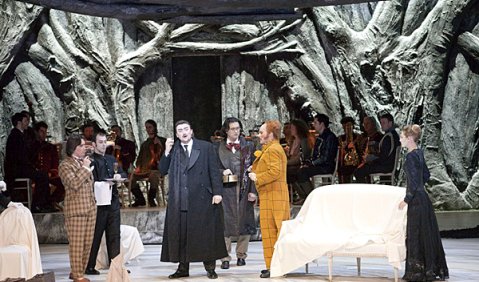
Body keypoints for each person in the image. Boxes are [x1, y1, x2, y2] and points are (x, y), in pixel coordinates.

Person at [159, 120, 227, 279]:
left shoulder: (205, 147)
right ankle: (183, 268)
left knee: (205, 234)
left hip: (202, 198)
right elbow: (163, 169)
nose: (183, 132)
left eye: (186, 129)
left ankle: (210, 268)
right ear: (176, 134)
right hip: (181, 199)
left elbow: (214, 171)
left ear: (191, 131)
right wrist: (166, 151)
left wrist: (217, 192)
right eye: (180, 130)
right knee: (182, 234)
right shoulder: (174, 149)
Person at [398, 125, 449, 281]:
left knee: (415, 235)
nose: (400, 139)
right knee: (426, 235)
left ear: (409, 138)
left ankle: (417, 272)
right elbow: (425, 175)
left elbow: (413, 183)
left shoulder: (410, 156)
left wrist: (406, 200)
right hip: (423, 198)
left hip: (416, 201)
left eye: (401, 137)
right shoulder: (419, 153)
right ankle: (429, 269)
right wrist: (418, 186)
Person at [248, 120, 290, 278]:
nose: (259, 135)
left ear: (271, 134)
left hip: (275, 196)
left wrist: (257, 176)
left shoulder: (274, 149)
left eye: (261, 132)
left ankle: (279, 265)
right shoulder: (270, 148)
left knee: (277, 232)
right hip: (269, 195)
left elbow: (275, 172)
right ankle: (272, 265)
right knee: (269, 232)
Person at [214, 117, 257, 270]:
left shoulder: (249, 146)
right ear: (226, 130)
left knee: (244, 221)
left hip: (244, 188)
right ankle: (225, 257)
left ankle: (241, 255)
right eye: (233, 128)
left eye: (238, 128)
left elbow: (255, 168)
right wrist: (222, 171)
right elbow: (213, 168)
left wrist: (253, 191)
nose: (236, 131)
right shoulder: (217, 147)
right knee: (225, 223)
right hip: (226, 190)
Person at [85, 130, 127, 275]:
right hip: (99, 203)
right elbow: (91, 181)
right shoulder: (91, 160)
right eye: (100, 143)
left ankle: (115, 265)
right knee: (96, 234)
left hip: (113, 201)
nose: (103, 145)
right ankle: (89, 265)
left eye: (105, 142)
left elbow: (123, 173)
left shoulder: (111, 159)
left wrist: (118, 176)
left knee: (114, 234)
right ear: (95, 144)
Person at [58, 134, 97, 282]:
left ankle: (77, 270)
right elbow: (73, 183)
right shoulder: (65, 165)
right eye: (81, 146)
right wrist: (86, 169)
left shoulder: (83, 162)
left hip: (90, 208)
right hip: (76, 210)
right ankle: (78, 276)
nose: (84, 148)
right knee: (77, 244)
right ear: (74, 148)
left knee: (87, 243)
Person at [4, 112, 53, 213]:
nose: (27, 123)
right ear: (19, 122)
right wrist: (31, 167)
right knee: (42, 176)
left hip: (21, 167)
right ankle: (37, 204)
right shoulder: (15, 137)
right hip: (17, 170)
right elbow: (19, 158)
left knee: (42, 175)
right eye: (25, 121)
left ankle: (45, 203)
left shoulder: (20, 135)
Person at [295, 113, 338, 200]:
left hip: (326, 166)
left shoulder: (330, 137)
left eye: (315, 122)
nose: (313, 125)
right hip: (319, 165)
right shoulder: (320, 137)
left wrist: (312, 164)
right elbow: (315, 154)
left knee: (302, 172)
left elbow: (326, 157)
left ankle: (312, 198)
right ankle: (306, 197)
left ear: (322, 124)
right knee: (298, 171)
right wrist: (308, 162)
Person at [354, 112, 400, 183]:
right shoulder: (392, 135)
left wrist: (372, 159)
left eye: (384, 123)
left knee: (359, 171)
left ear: (390, 123)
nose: (382, 125)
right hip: (388, 164)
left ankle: (364, 192)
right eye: (381, 123)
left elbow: (384, 157)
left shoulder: (389, 137)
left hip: (386, 166)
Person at [130, 120, 165, 207]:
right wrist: (138, 167)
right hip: (145, 169)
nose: (148, 129)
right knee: (130, 177)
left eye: (150, 127)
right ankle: (140, 198)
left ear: (154, 127)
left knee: (154, 176)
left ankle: (151, 198)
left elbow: (166, 155)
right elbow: (140, 158)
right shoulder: (145, 144)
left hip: (156, 169)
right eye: (146, 128)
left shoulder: (163, 140)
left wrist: (160, 144)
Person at [32, 121, 65, 210]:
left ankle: (51, 201)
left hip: (49, 174)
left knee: (64, 183)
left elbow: (55, 163)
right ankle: (40, 204)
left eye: (45, 132)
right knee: (43, 181)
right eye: (42, 131)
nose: (44, 134)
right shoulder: (31, 146)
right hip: (36, 175)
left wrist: (52, 172)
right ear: (37, 132)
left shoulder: (50, 147)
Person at [285, 119, 313, 204]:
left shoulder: (304, 141)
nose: (291, 130)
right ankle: (301, 195)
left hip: (301, 164)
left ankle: (306, 195)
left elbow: (302, 156)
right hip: (292, 164)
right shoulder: (292, 141)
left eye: (293, 128)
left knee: (289, 172)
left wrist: (286, 163)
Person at [337, 117, 361, 183]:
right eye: (344, 127)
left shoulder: (358, 137)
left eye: (348, 126)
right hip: (344, 162)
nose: (346, 129)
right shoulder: (340, 138)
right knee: (341, 169)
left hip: (357, 161)